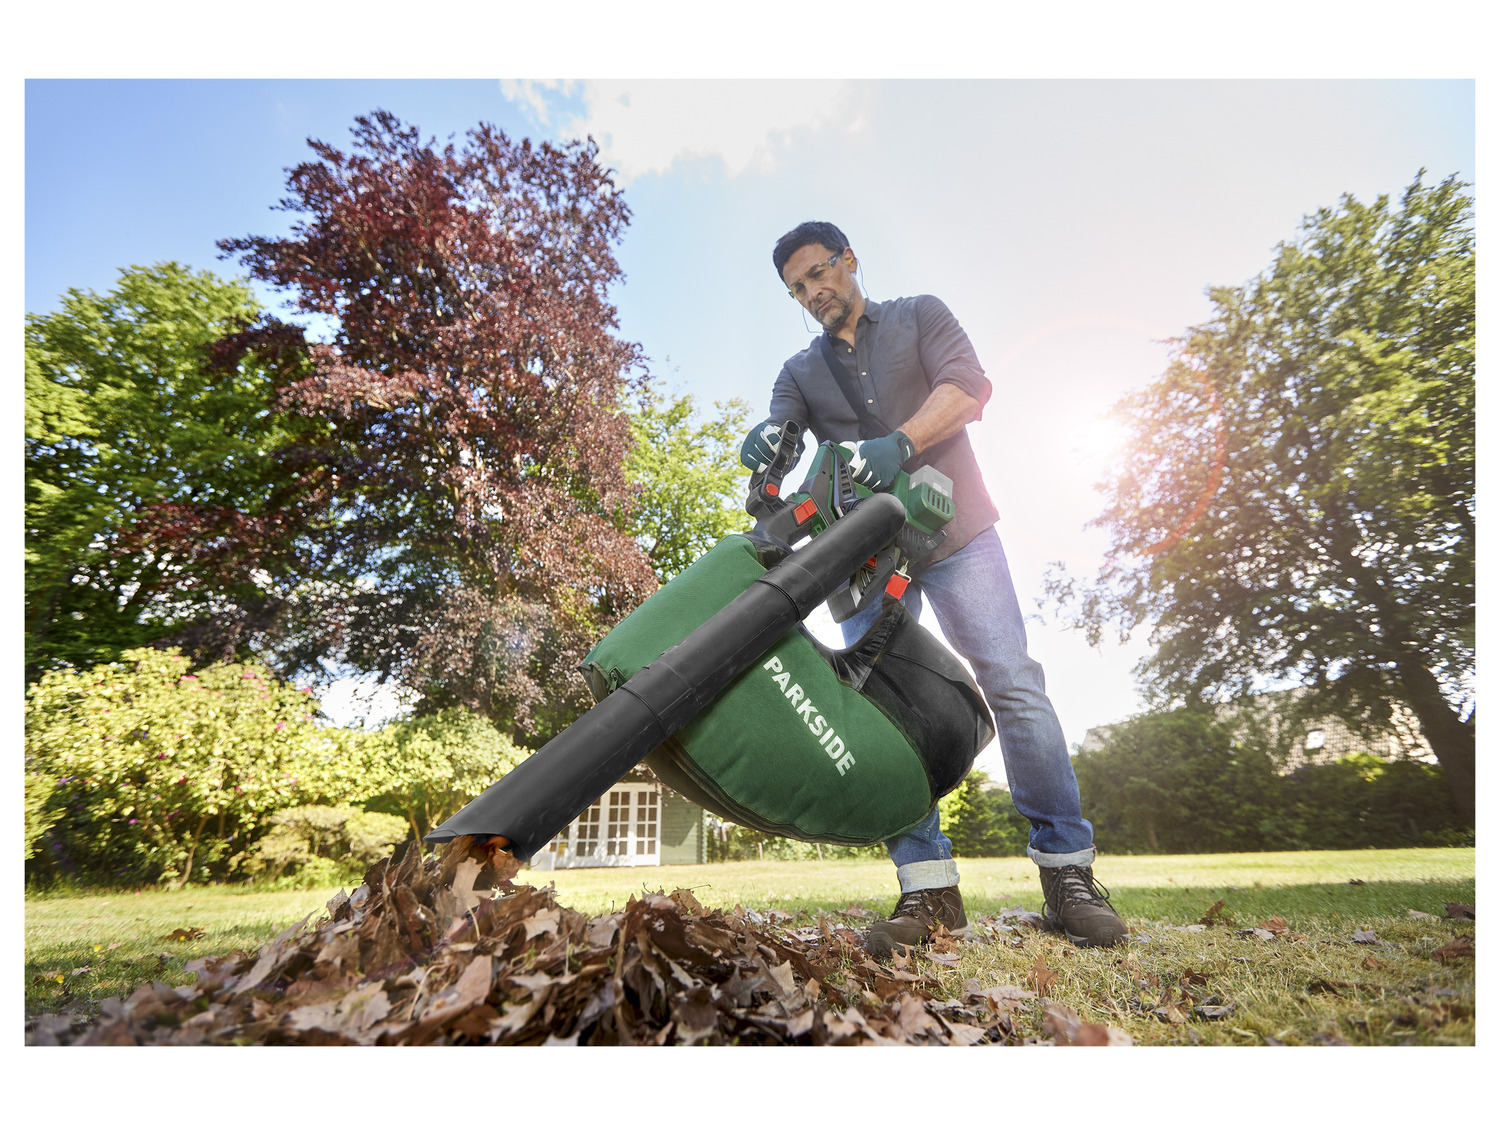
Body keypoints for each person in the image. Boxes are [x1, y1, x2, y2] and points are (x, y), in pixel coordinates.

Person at [741, 220, 1129, 956]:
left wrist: (901, 444)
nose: (813, 292)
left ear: (850, 261)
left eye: (820, 273)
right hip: (863, 553)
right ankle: (928, 887)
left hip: (958, 533)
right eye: (797, 288)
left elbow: (970, 387)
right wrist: (765, 447)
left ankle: (1067, 877)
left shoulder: (921, 315)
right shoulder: (799, 370)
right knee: (881, 709)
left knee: (1012, 679)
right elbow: (782, 432)